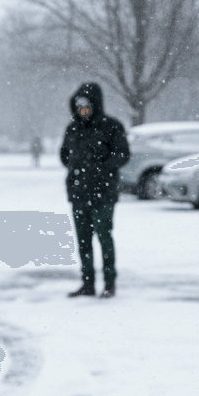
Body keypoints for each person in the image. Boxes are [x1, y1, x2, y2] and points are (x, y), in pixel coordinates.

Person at [59, 82, 130, 297]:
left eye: (87, 104)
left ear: (95, 104)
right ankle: (87, 283)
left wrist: (102, 166)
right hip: (78, 194)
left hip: (103, 194)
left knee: (104, 238)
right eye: (79, 104)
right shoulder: (72, 128)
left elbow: (123, 154)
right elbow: (64, 154)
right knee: (83, 241)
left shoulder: (112, 126)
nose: (83, 108)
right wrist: (74, 166)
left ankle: (109, 283)